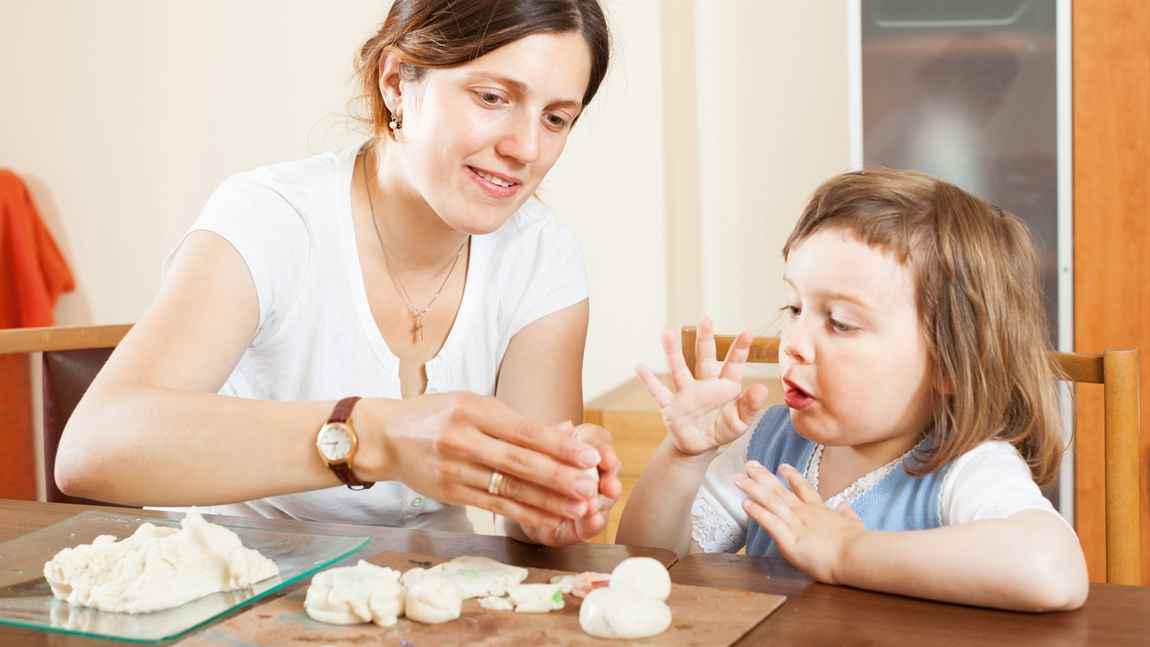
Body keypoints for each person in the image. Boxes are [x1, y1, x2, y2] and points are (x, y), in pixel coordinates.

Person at [56, 0, 622, 547]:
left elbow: (528, 513)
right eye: (493, 96)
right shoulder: (272, 218)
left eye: (555, 118)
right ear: (398, 81)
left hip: (433, 609)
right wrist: (372, 435)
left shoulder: (542, 257)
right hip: (234, 597)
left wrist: (555, 507)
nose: (525, 147)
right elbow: (93, 449)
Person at [617, 169, 1089, 610]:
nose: (793, 344)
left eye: (840, 323)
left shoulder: (966, 466)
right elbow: (650, 563)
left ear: (950, 364)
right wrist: (683, 459)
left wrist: (847, 551)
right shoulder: (769, 443)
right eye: (795, 308)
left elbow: (1054, 569)